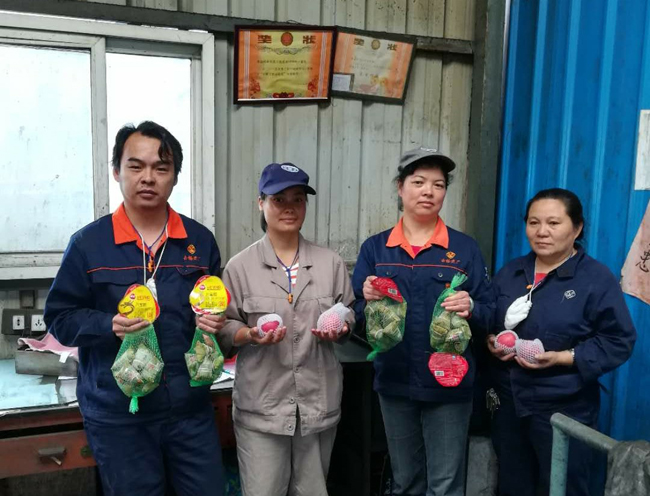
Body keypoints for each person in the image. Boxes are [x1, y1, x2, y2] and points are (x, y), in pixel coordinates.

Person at [44, 121, 225, 496]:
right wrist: (107, 324)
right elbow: (60, 319)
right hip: (120, 414)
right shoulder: (89, 244)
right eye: (136, 166)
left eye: (161, 168)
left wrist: (217, 322)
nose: (148, 178)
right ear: (116, 171)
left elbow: (215, 312)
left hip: (189, 409)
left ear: (174, 176)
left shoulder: (199, 241)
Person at [352, 147, 494, 496]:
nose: (429, 191)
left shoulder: (464, 249)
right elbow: (356, 314)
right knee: (406, 482)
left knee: (445, 485)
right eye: (418, 182)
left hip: (448, 384)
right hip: (394, 381)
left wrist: (471, 306)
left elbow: (491, 312)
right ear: (400, 188)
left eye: (438, 184)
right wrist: (367, 303)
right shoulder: (376, 249)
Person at [486, 188, 636, 496]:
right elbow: (490, 318)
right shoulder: (512, 272)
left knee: (563, 488)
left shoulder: (595, 279)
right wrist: (490, 339)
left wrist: (563, 357)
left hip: (564, 408)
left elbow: (618, 339)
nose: (542, 231)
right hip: (509, 405)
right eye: (534, 222)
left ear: (577, 228)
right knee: (513, 486)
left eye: (553, 223)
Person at [218, 163, 355, 496]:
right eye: (279, 199)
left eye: (298, 199)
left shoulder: (330, 263)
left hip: (316, 406)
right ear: (260, 203)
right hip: (262, 409)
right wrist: (249, 334)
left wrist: (340, 328)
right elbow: (224, 328)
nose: (289, 207)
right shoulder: (239, 267)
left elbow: (348, 311)